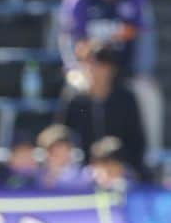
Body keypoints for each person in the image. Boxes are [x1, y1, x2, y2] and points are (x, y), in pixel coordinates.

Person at [58, 0, 162, 163]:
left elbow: (145, 37)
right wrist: (74, 69)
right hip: (92, 71)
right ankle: (78, 160)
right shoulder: (79, 1)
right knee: (76, 94)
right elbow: (68, 40)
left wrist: (142, 71)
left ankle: (148, 158)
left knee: (147, 92)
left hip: (125, 71)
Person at [55, 44, 148, 181]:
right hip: (81, 174)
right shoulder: (74, 100)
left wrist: (121, 166)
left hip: (120, 172)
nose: (96, 70)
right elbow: (62, 136)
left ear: (112, 69)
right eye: (90, 64)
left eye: (102, 65)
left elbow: (137, 140)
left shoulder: (126, 99)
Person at [35, 124, 89, 191]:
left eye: (63, 150)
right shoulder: (36, 175)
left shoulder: (84, 175)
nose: (60, 154)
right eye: (54, 152)